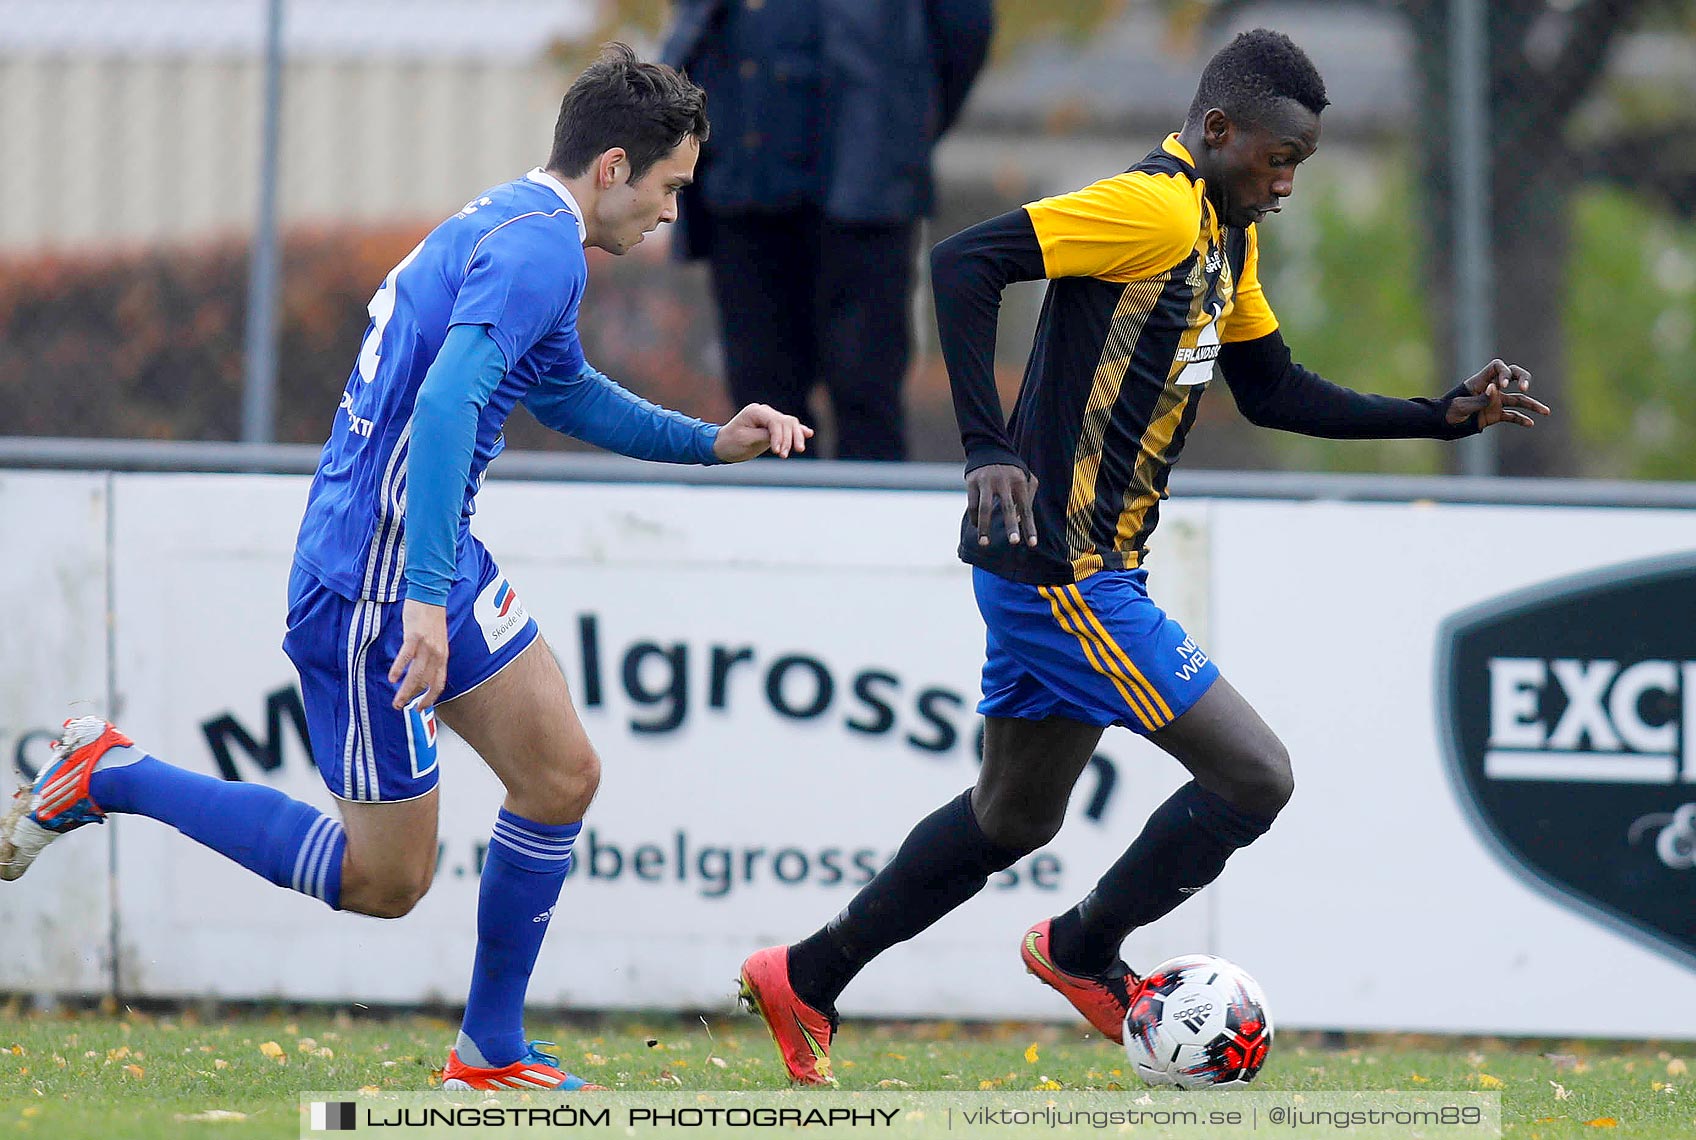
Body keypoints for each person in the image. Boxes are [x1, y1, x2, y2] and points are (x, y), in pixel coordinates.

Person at [737, 28, 1548, 1084]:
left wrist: (1437, 417)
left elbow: (1273, 389)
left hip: (1082, 567)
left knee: (1013, 815)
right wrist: (985, 445)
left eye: (1299, 165)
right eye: (1278, 159)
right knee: (1256, 776)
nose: (1288, 184)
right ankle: (1080, 952)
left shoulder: (1224, 235)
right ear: (1217, 131)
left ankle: (806, 975)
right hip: (1061, 571)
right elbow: (962, 263)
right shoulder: (1154, 208)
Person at [1, 43, 809, 1092]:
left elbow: (557, 391)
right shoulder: (541, 252)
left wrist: (709, 441)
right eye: (668, 188)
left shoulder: (517, 224)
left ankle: (489, 1051)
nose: (670, 213)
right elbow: (444, 407)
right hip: (375, 585)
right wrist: (425, 603)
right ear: (614, 167)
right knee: (385, 881)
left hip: (427, 557)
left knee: (561, 776)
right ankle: (110, 773)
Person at [662, 0, 993, 460]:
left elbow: (964, 31)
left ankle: (869, 527)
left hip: (866, 195)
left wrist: (903, 126)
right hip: (741, 186)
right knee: (760, 400)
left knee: (867, 396)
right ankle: (775, 529)